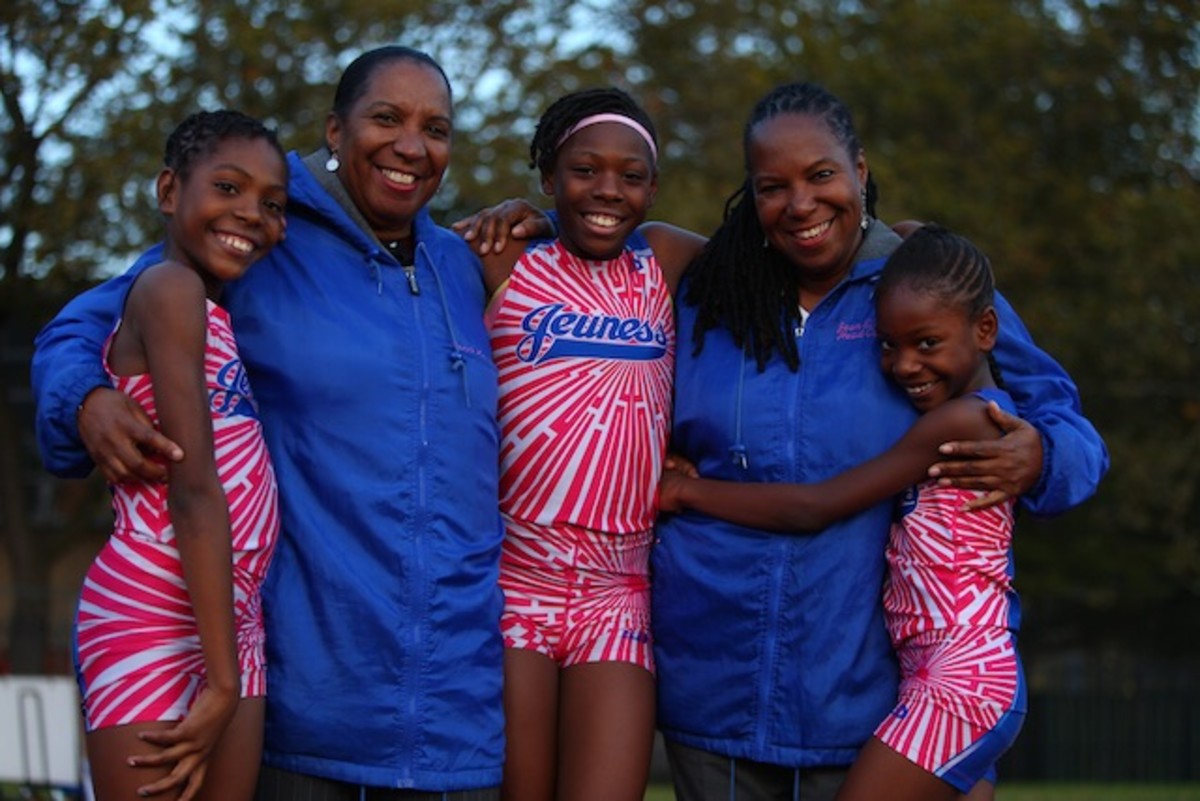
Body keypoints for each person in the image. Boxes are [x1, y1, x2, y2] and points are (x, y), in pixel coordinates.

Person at [33, 46, 505, 799]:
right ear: (334, 130)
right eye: (386, 118)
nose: (412, 145)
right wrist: (83, 396)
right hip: (303, 717)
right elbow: (86, 323)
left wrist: (533, 220)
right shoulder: (260, 237)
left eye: (436, 127)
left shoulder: (464, 265)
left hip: (460, 728)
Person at [650, 81, 1108, 801]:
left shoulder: (925, 283)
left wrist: (1044, 457)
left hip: (874, 705)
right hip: (714, 693)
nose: (800, 204)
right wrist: (524, 218)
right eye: (773, 186)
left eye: (822, 174)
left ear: (860, 170)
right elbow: (596, 222)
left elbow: (1067, 423)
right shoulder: (708, 290)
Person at [659, 224, 1031, 801]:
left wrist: (686, 493)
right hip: (933, 676)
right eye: (888, 344)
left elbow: (815, 506)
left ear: (986, 330)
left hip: (961, 680)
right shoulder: (968, 416)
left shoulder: (966, 423)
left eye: (926, 343)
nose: (903, 364)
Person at [478, 87, 702, 801]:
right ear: (548, 176)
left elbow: (787, 256)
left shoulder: (662, 259)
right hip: (515, 580)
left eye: (630, 175)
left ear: (652, 186)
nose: (608, 189)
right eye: (584, 170)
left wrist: (910, 240)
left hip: (619, 589)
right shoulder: (502, 256)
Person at [75, 109, 287, 801]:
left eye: (272, 204)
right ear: (170, 192)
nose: (250, 213)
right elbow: (193, 490)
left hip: (234, 619)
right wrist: (222, 682)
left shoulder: (220, 316)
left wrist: (232, 664)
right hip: (153, 610)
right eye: (228, 188)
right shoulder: (169, 290)